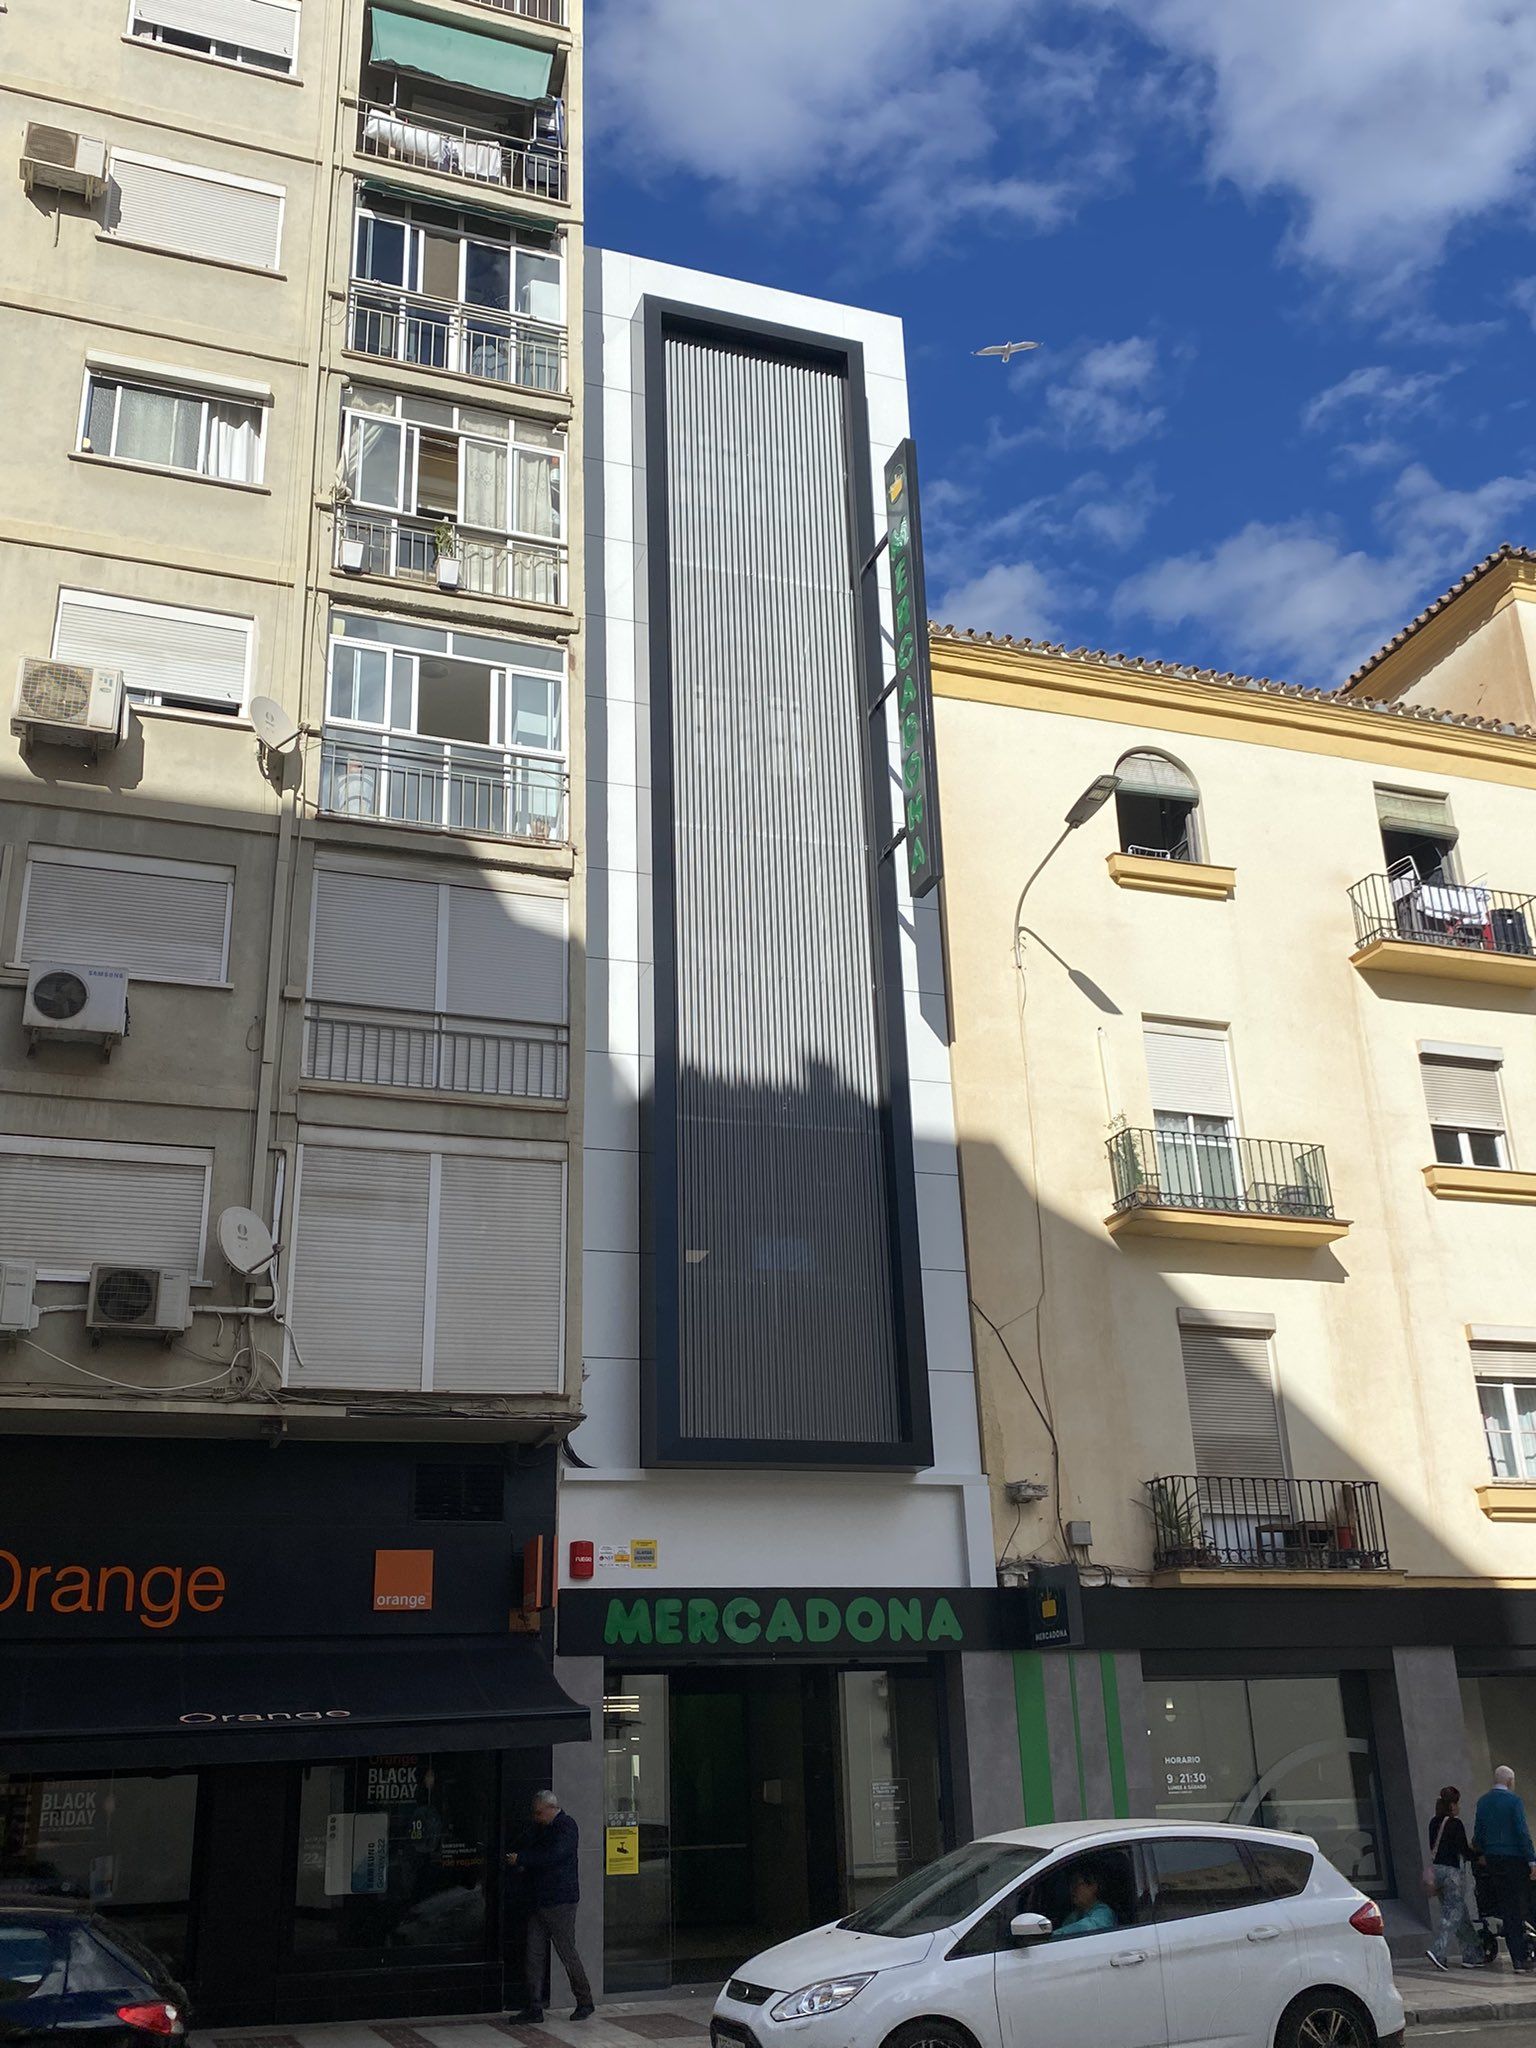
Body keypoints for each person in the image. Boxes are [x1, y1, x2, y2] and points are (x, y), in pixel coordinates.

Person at [506, 1791, 595, 2024]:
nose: (536, 1817)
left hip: (559, 1901)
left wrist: (523, 1859)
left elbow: (553, 1856)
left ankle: (584, 2000)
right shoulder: (543, 1829)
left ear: (550, 1808)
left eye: (539, 1812)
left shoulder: (566, 1827)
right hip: (541, 1900)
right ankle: (534, 2006)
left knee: (566, 1951)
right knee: (534, 1954)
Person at [1472, 1765, 1536, 1974]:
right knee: (1519, 1908)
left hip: (1493, 1860)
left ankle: (1517, 1957)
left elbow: (1478, 1833)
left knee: (1506, 1907)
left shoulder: (1483, 1802)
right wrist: (1531, 1860)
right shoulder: (1514, 1801)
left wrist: (1484, 1852)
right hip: (1514, 1859)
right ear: (1510, 1781)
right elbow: (1521, 1831)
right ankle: (1522, 1957)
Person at [1425, 1787, 1482, 1971]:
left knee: (1460, 1913)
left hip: (1437, 1871)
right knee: (1452, 1915)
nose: (1458, 1807)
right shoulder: (1455, 1824)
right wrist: (1478, 1856)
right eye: (1457, 1803)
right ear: (1452, 1805)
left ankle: (1472, 1954)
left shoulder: (1433, 1822)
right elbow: (1463, 1850)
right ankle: (1438, 1950)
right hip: (1452, 1873)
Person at [1049, 1866, 1118, 1941]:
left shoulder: (1104, 1913)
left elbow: (1087, 1926)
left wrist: (1054, 1935)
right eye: (1070, 1885)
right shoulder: (1074, 1915)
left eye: (1076, 1884)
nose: (1072, 1889)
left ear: (1093, 1887)